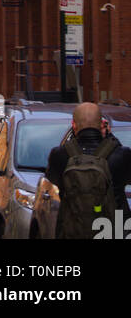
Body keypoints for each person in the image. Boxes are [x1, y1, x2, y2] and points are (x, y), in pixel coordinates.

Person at [45, 102, 131, 239]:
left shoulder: (59, 155)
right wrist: (110, 137)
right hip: (114, 230)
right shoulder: (122, 155)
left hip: (73, 229)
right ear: (102, 124)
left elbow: (54, 179)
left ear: (73, 125)